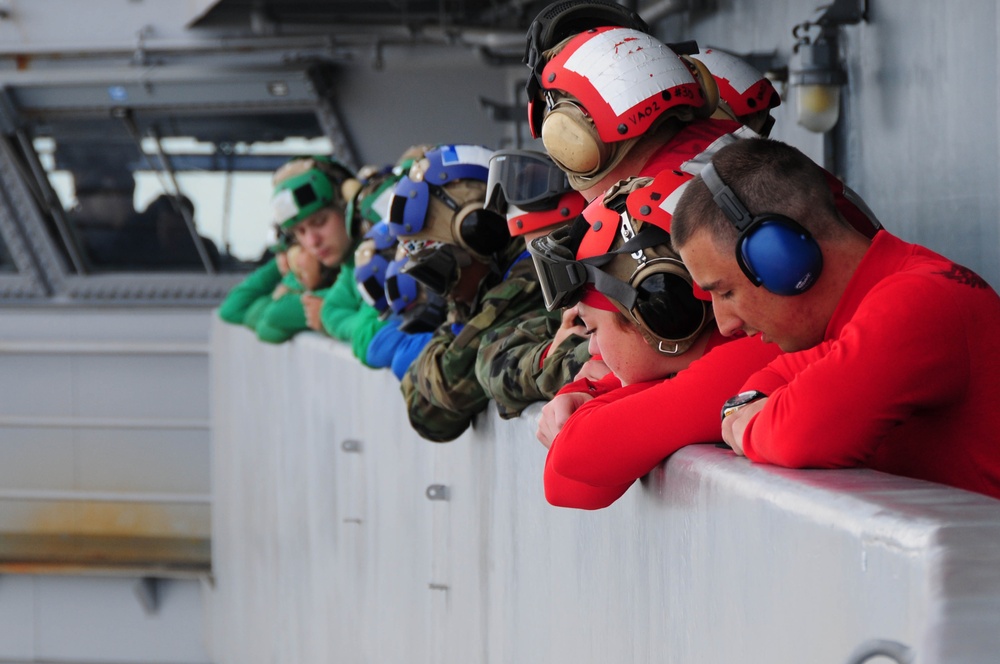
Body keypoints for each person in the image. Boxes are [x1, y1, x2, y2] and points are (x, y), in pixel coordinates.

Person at [670, 137, 1000, 500]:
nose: (725, 324)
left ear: (781, 255)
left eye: (725, 292)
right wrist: (750, 409)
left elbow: (802, 434)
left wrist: (748, 422)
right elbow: (776, 375)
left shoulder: (917, 300)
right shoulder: (857, 317)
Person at [528, 171, 780, 509]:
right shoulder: (730, 353)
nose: (593, 350)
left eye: (592, 329)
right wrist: (589, 391)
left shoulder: (749, 356)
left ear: (660, 312)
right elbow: (569, 488)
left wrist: (601, 397)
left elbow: (574, 458)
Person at [388, 144, 544, 442]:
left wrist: (434, 359)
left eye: (440, 269)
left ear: (481, 234)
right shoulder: (486, 281)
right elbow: (425, 415)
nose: (447, 294)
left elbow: (448, 388)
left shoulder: (532, 271)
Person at [474, 149, 591, 418]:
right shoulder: (568, 310)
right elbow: (490, 360)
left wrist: (559, 360)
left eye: (557, 257)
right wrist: (551, 353)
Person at [218, 155, 358, 342]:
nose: (313, 241)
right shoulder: (319, 268)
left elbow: (276, 314)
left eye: (320, 222)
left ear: (349, 207)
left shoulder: (370, 258)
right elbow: (233, 309)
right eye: (300, 232)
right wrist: (284, 263)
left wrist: (326, 311)